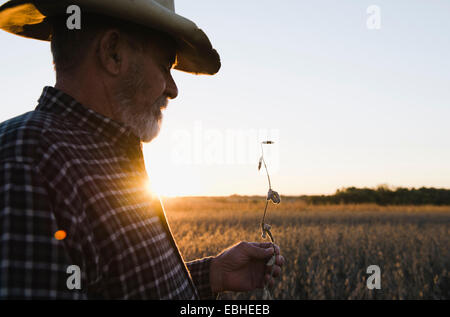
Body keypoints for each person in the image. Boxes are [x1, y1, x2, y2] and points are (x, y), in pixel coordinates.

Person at [0, 0, 284, 299]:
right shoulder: (27, 159)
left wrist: (211, 275)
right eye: (165, 65)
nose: (173, 89)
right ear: (113, 53)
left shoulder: (102, 154)